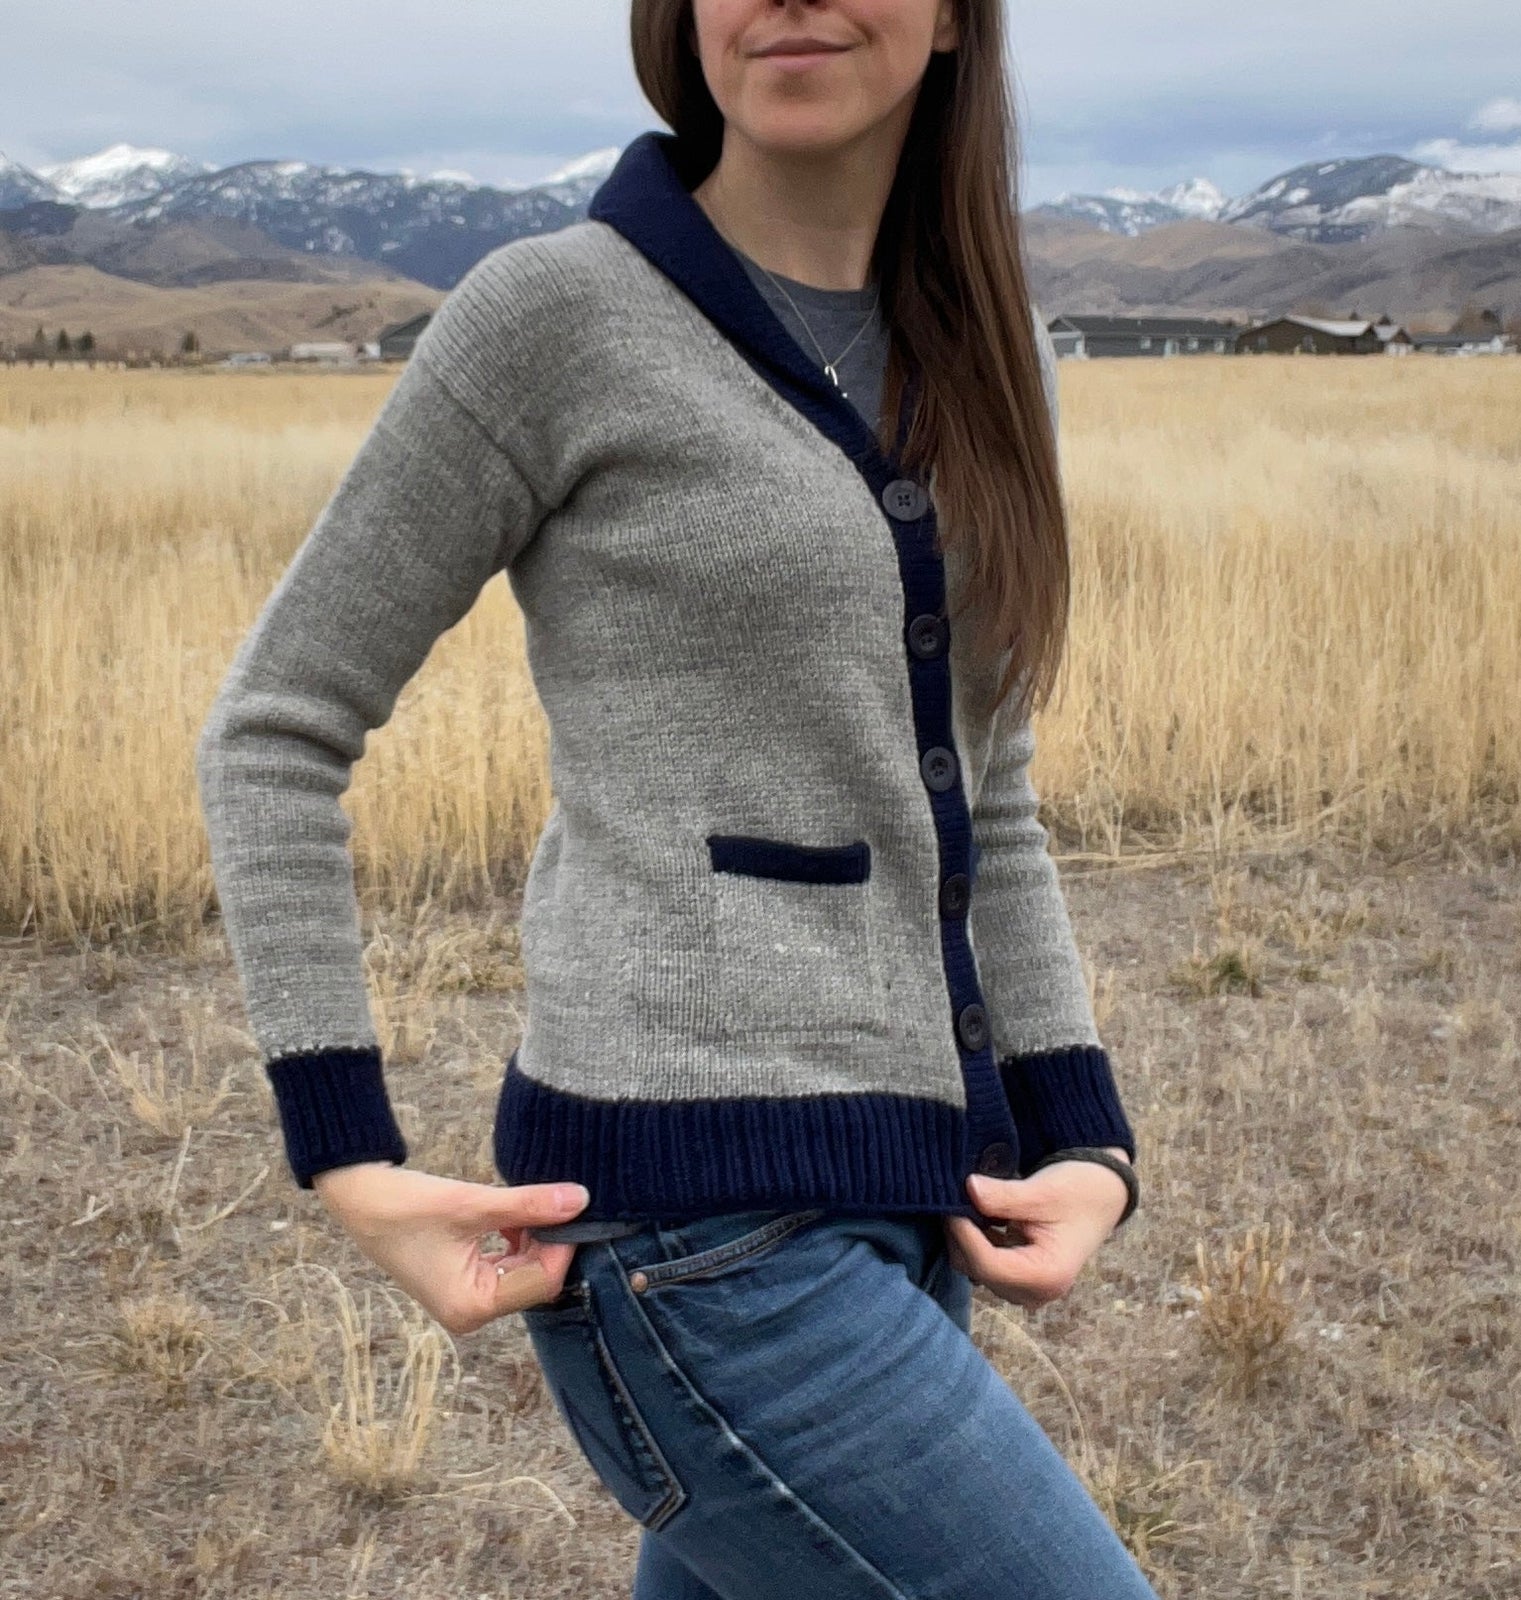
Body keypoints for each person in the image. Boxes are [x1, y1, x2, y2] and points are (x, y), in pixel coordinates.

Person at [195, 1, 1158, 1595]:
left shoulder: (993, 354)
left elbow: (990, 795)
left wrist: (1090, 1137)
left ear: (947, 21)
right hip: (697, 1248)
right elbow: (276, 726)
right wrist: (345, 1151)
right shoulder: (555, 317)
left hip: (907, 1213)